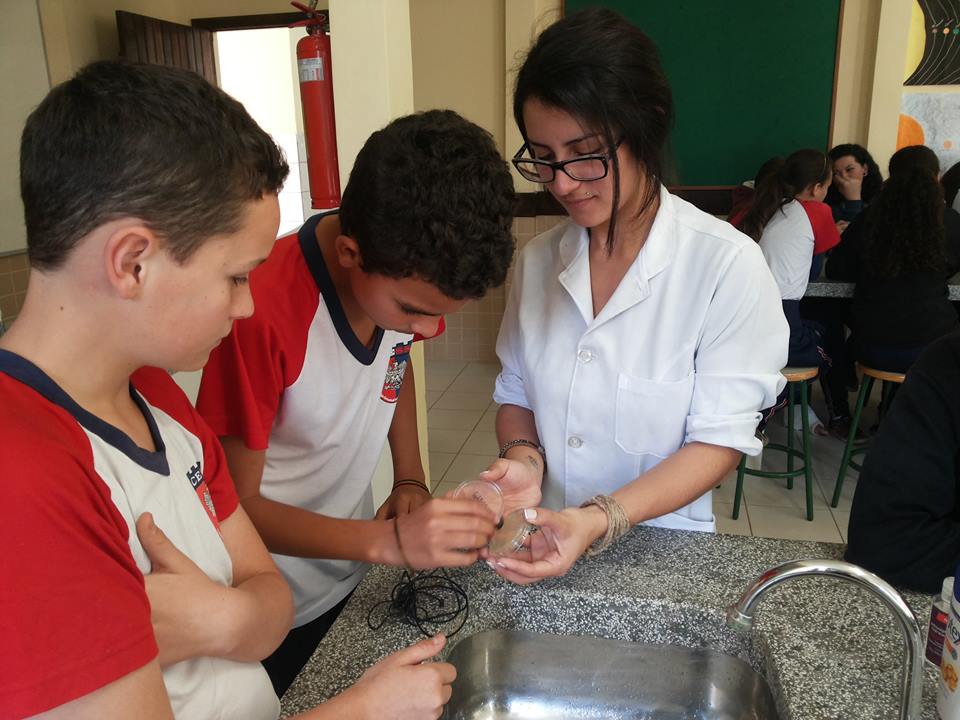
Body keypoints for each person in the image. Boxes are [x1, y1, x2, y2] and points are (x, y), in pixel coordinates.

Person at [0, 60, 455, 720]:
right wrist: (359, 710)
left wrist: (224, 620)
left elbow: (271, 608)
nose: (245, 306)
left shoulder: (155, 394)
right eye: (237, 277)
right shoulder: (25, 477)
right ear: (132, 262)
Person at [195, 109, 518, 695]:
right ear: (349, 253)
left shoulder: (400, 286)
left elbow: (396, 365)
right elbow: (232, 508)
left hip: (351, 568)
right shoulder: (260, 315)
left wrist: (410, 477)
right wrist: (389, 542)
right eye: (415, 312)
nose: (427, 329)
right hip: (271, 599)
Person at [481, 7, 788, 585]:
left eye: (585, 153)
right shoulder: (539, 261)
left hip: (663, 555)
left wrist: (599, 519)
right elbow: (517, 391)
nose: (562, 182)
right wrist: (523, 460)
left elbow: (718, 441)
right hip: (546, 539)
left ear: (647, 125)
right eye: (542, 158)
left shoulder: (726, 266)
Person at [826, 145, 960, 373]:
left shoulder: (868, 218)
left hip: (870, 344)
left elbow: (836, 269)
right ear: (936, 177)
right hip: (931, 346)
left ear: (891, 178)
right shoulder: (950, 222)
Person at [845, 329, 960, 593]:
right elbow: (886, 542)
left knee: (830, 346)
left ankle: (840, 415)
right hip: (919, 350)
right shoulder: (949, 362)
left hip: (875, 347)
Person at [825, 143, 883, 225]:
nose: (844, 176)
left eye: (849, 169)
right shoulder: (827, 202)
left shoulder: (881, 197)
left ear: (865, 169)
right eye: (836, 173)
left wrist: (854, 199)